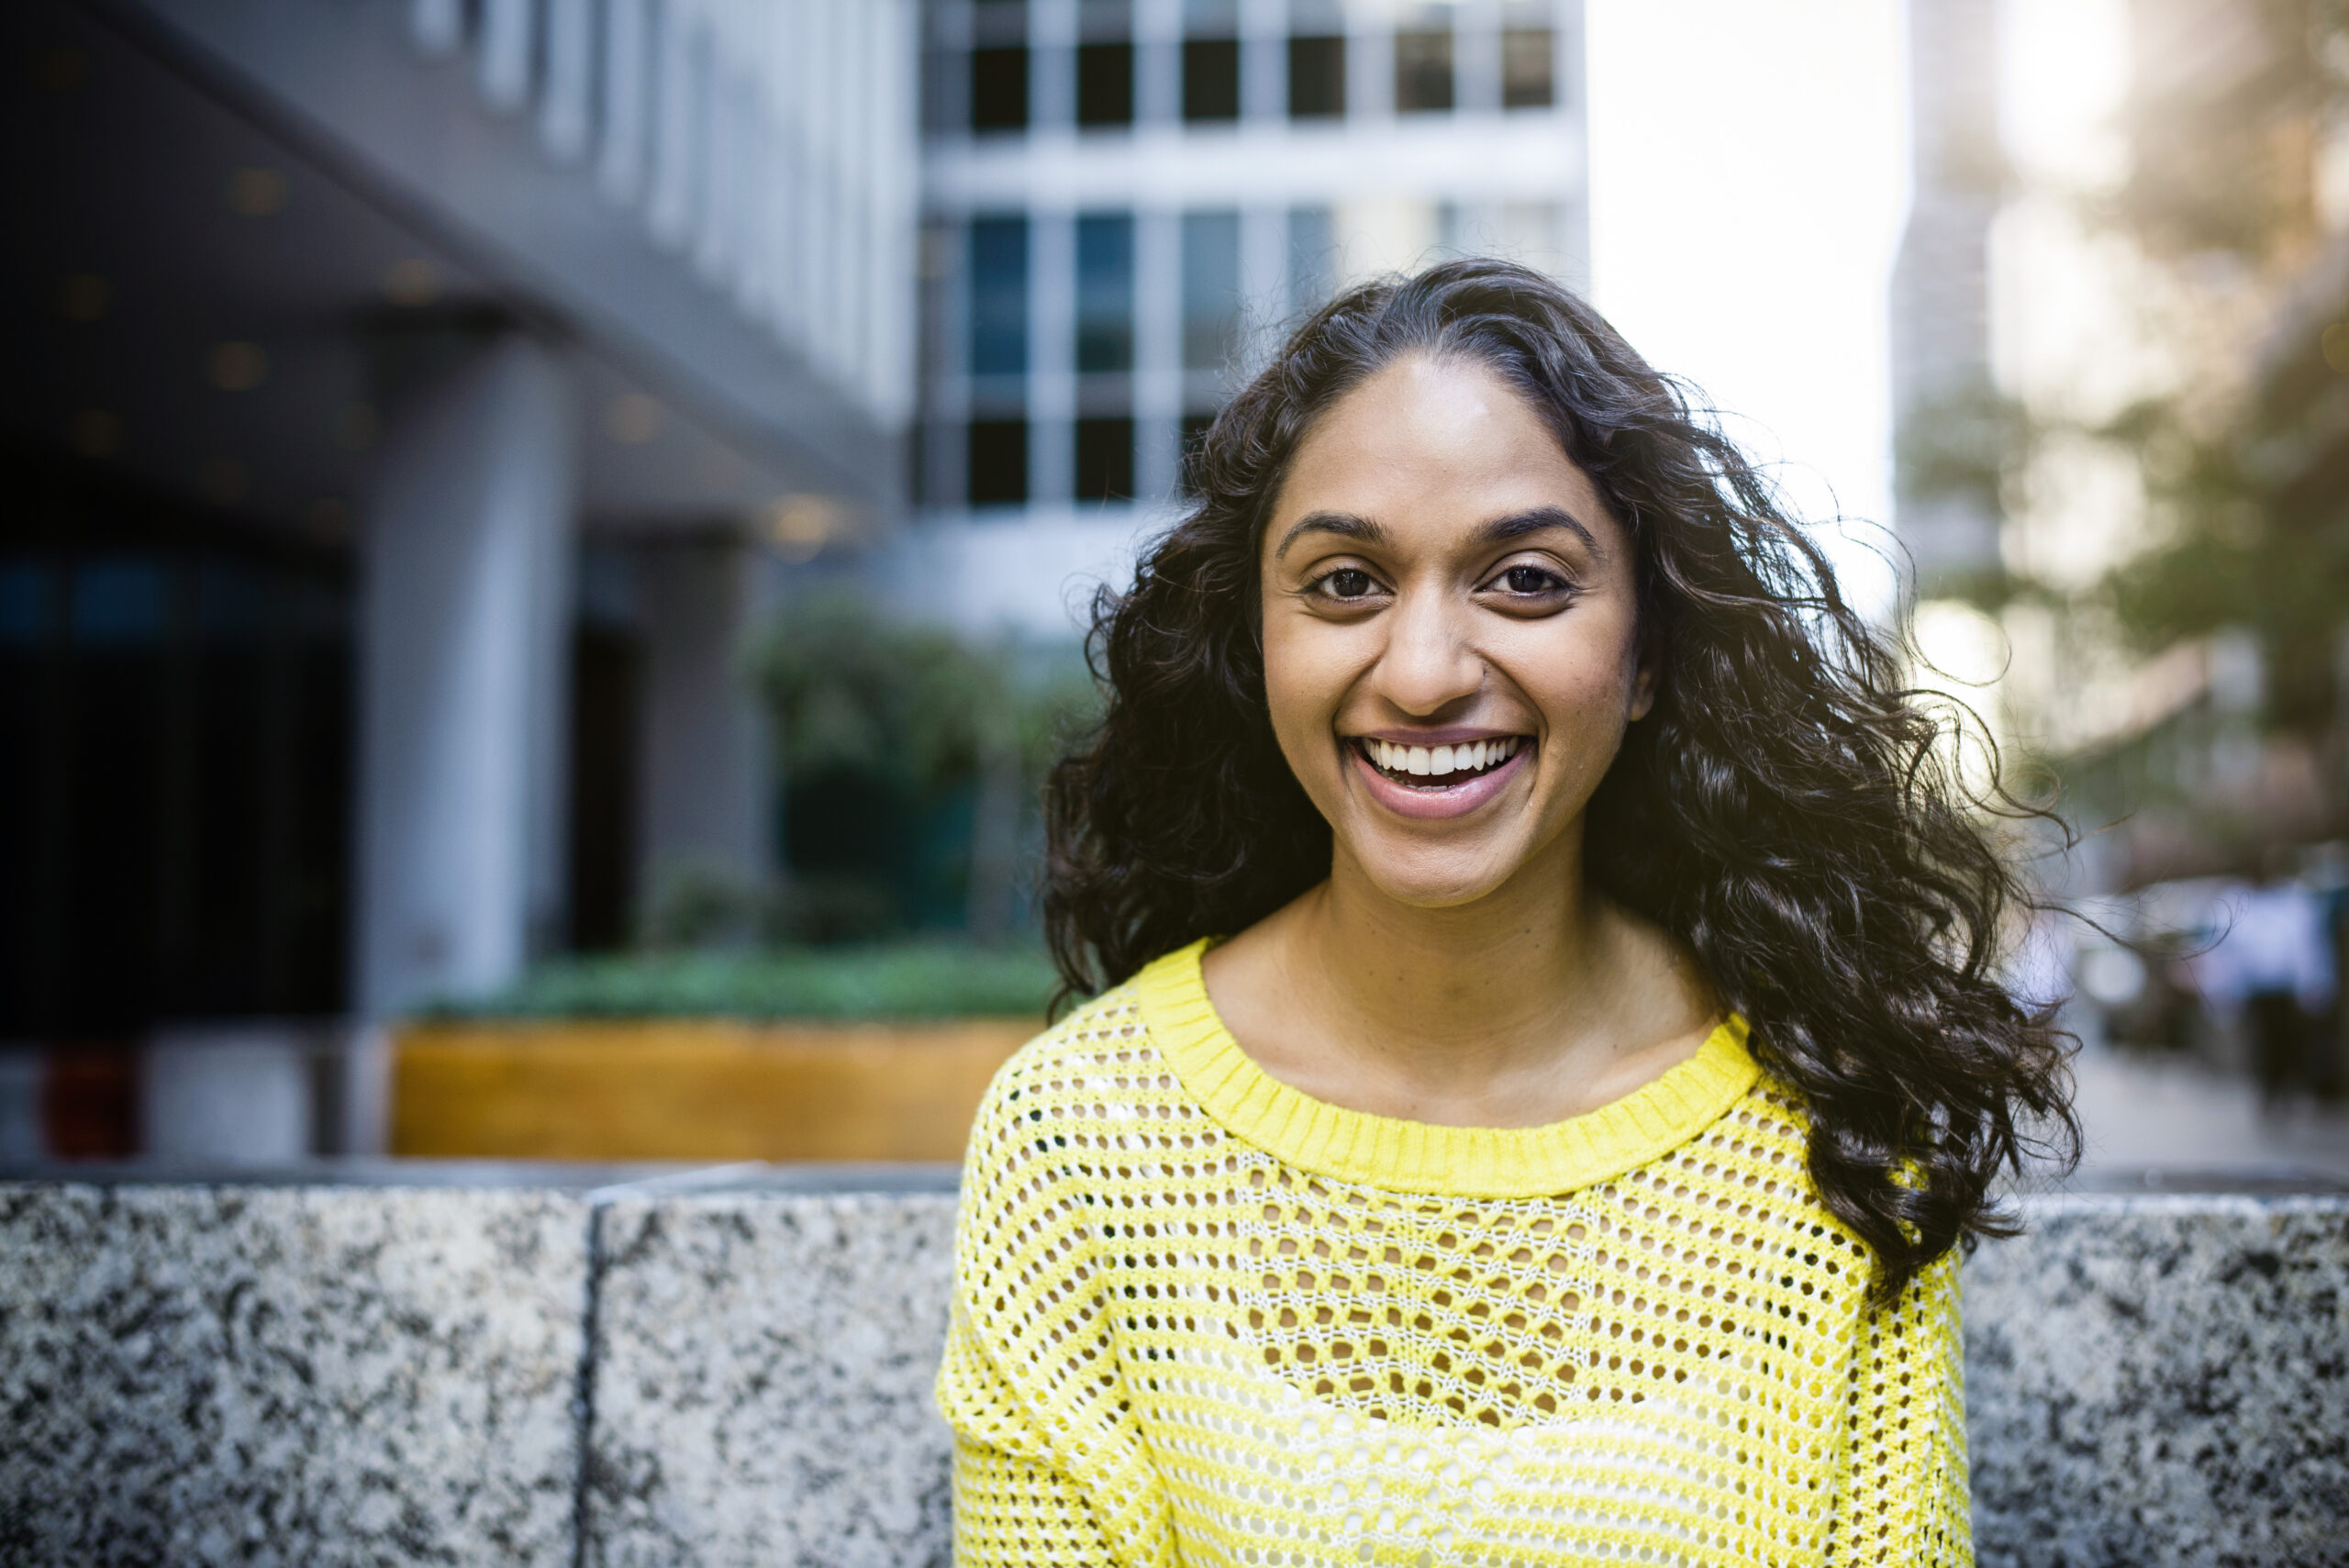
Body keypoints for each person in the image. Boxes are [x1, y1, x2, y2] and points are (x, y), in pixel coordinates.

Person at [935, 261, 2076, 1567]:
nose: (1423, 674)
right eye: (1346, 582)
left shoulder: (1839, 1133)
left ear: (1647, 655)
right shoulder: (1083, 1138)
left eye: (1526, 580)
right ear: (1258, 643)